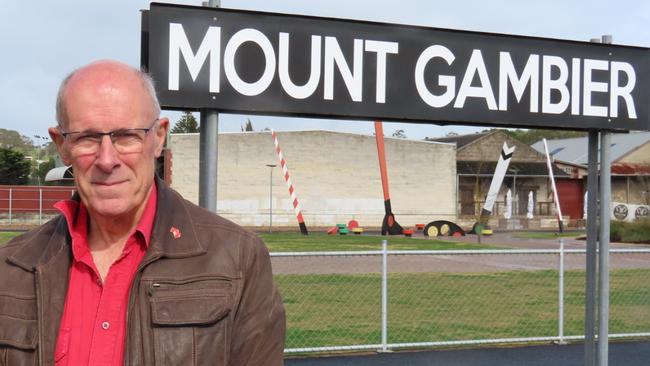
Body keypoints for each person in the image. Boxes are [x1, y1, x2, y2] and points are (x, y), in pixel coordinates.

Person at [0, 60, 285, 365]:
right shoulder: (12, 268)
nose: (107, 160)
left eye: (126, 136)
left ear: (159, 137)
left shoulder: (238, 259)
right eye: (87, 138)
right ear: (62, 145)